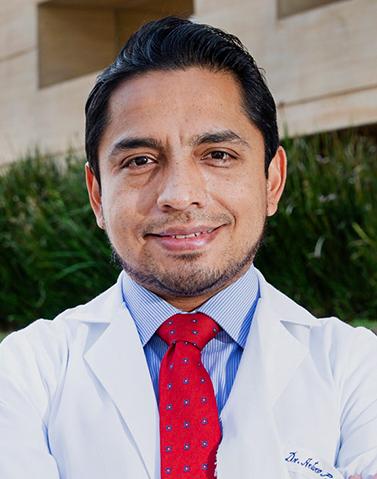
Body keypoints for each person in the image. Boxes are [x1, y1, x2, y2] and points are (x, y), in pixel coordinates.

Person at [0, 16, 376, 479]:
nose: (179, 194)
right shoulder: (23, 372)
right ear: (97, 195)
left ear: (272, 181)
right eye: (140, 160)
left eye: (218, 155)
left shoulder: (358, 368)